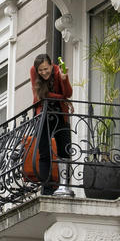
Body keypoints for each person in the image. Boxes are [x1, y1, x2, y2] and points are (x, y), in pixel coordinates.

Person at [29, 53, 73, 195]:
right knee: (44, 152)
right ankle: (47, 189)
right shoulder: (33, 71)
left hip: (60, 114)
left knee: (65, 151)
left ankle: (64, 186)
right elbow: (40, 95)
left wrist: (64, 79)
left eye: (46, 69)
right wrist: (62, 98)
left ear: (51, 65)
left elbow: (68, 93)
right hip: (43, 115)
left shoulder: (57, 70)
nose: (43, 72)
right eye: (40, 70)